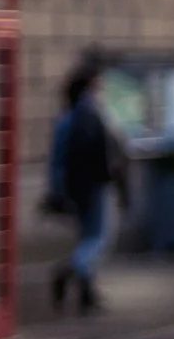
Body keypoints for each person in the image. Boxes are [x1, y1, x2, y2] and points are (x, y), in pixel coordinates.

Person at [47, 64, 122, 314]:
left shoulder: (66, 118)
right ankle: (67, 271)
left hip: (74, 188)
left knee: (85, 237)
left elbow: (57, 160)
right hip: (97, 186)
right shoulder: (95, 113)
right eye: (99, 85)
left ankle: (88, 296)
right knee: (97, 240)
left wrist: (57, 190)